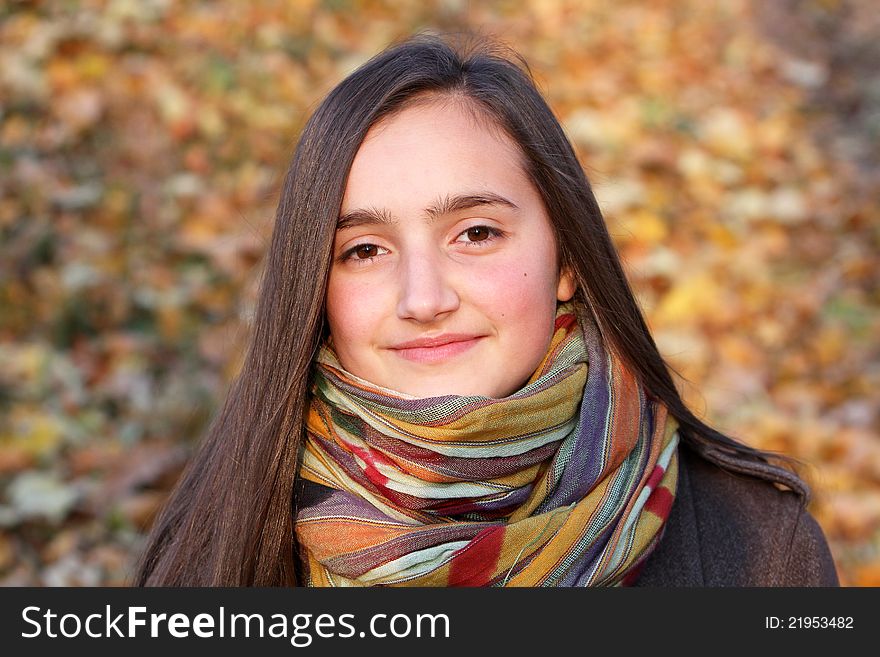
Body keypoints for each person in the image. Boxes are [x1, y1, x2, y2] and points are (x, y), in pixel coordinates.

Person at [134, 34, 838, 587]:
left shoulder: (759, 548)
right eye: (365, 250)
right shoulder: (214, 545)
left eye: (476, 234)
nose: (424, 299)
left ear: (566, 259)